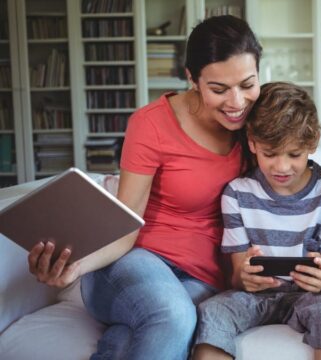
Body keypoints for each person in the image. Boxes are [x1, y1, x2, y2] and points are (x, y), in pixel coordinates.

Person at [26, 15, 262, 359]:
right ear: (192, 79)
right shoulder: (151, 123)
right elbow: (126, 224)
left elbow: (296, 171)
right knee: (173, 315)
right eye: (219, 89)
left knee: (128, 341)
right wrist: (76, 267)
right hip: (134, 262)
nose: (237, 102)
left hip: (204, 278)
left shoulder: (257, 121)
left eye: (247, 84)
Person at [192, 82, 321, 360]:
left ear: (312, 144)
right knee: (213, 310)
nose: (281, 167)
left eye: (294, 154)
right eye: (269, 154)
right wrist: (244, 278)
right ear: (252, 143)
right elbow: (237, 274)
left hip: (313, 296)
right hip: (256, 298)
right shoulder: (237, 193)